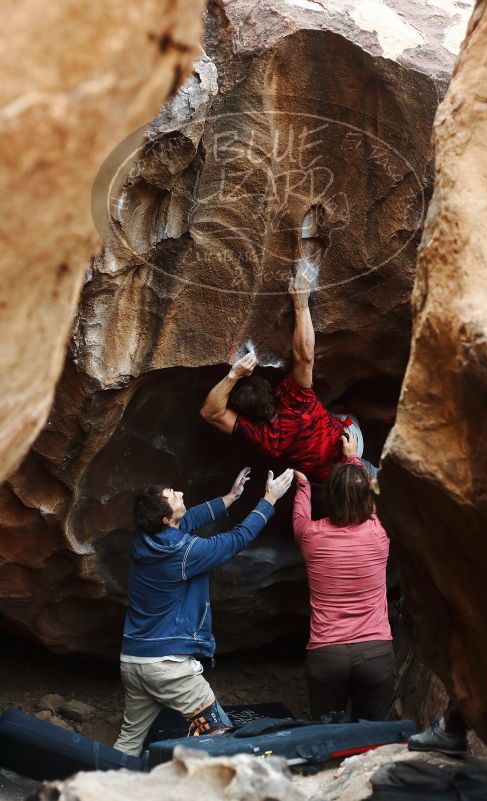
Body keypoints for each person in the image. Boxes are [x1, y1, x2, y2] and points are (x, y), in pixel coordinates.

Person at [114, 465, 294, 756]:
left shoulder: (144, 539)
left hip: (133, 662)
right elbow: (236, 539)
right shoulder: (183, 553)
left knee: (129, 741)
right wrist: (269, 500)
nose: (181, 493)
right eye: (174, 496)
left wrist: (230, 497)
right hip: (166, 667)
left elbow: (189, 518)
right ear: (166, 518)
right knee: (218, 734)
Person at [200, 268, 377, 482]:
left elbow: (211, 413)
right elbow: (305, 356)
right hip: (351, 450)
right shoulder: (295, 400)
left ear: (245, 415)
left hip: (324, 480)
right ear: (269, 385)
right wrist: (301, 304)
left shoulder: (261, 436)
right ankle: (385, 415)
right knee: (345, 403)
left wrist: (232, 377)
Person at [292, 432, 395, 721]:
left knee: (326, 734)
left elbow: (300, 514)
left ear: (329, 495)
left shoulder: (310, 535)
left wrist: (302, 483)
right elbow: (372, 498)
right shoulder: (380, 530)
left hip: (327, 654)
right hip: (375, 652)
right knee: (373, 736)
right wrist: (353, 457)